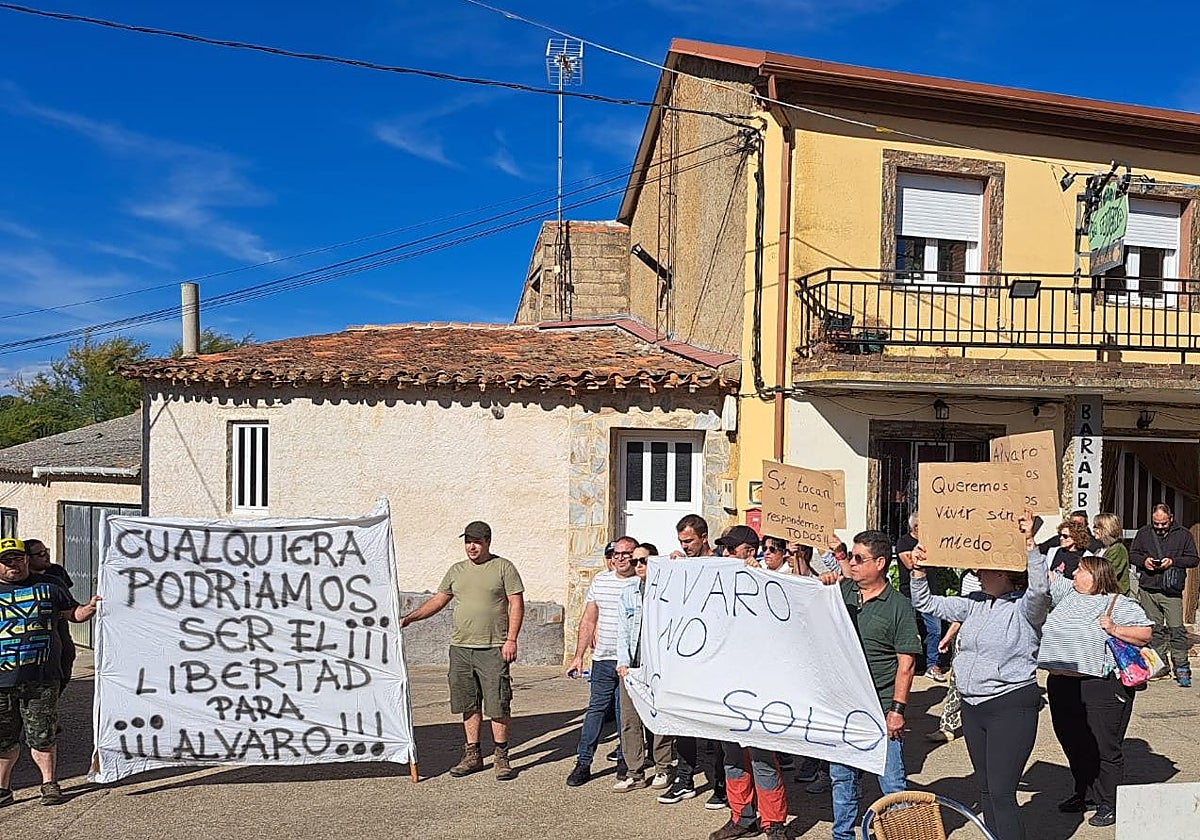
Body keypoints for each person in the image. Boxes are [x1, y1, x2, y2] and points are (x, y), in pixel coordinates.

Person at [910, 515, 1051, 840]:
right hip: (973, 708)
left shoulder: (1025, 610)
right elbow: (925, 602)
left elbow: (1040, 589)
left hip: (1010, 707)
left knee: (1001, 793)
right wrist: (918, 570)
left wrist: (1029, 542)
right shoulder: (973, 604)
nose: (976, 574)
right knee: (986, 790)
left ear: (1002, 573)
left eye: (983, 570)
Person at [401, 521, 524, 780]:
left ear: (487, 542)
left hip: (493, 647)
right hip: (461, 648)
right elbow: (439, 600)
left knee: (498, 703)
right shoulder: (456, 570)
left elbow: (516, 603)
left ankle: (501, 756)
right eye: (468, 542)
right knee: (468, 702)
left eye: (477, 542)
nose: (471, 547)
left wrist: (511, 639)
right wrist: (410, 618)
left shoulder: (503, 567)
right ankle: (472, 755)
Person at [818, 530, 921, 840]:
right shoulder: (843, 592)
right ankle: (843, 836)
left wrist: (897, 711)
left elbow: (906, 665)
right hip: (845, 707)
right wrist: (823, 582)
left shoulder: (899, 606)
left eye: (858, 558)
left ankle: (899, 835)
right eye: (851, 556)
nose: (851, 562)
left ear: (880, 563)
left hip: (880, 708)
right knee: (842, 778)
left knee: (892, 784)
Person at [1038, 555, 1152, 828]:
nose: (1074, 574)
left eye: (1080, 570)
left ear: (1096, 576)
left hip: (1101, 686)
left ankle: (1109, 802)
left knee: (1103, 746)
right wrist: (1028, 541)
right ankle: (1085, 792)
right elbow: (1041, 573)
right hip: (1062, 682)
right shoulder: (1068, 594)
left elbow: (1145, 634)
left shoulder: (1117, 603)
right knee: (1073, 741)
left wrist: (1114, 628)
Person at [0, 537, 100, 807]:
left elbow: (74, 614)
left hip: (41, 678)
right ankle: (3, 789)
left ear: (26, 560)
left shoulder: (50, 586)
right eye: (6, 561)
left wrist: (90, 608)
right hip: (2, 681)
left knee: (42, 736)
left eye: (18, 558)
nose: (13, 565)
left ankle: (49, 784)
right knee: (3, 740)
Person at [658, 514, 726, 809]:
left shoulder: (723, 563)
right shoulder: (682, 565)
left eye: (689, 541)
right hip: (688, 656)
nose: (685, 546)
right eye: (681, 541)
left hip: (717, 657)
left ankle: (721, 785)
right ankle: (684, 779)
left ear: (704, 537)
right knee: (683, 720)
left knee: (719, 726)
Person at [565, 535, 639, 786]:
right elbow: (589, 619)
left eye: (627, 554)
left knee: (624, 714)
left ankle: (625, 762)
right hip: (603, 659)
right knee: (595, 711)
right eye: (616, 554)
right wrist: (578, 656)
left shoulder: (642, 582)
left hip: (630, 662)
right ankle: (583, 762)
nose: (621, 558)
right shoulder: (601, 580)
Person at [1129, 503, 1199, 688]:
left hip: (1171, 590)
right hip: (1148, 587)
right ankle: (1160, 666)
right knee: (1155, 630)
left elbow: (1193, 559)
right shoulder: (1144, 533)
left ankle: (1182, 667)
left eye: (1163, 523)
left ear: (1171, 519)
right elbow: (1132, 554)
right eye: (1156, 524)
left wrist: (1173, 561)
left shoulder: (1183, 534)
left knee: (1177, 630)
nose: (1160, 527)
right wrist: (1144, 561)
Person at [896, 513, 947, 681]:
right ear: (916, 527)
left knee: (935, 630)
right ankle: (908, 666)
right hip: (909, 594)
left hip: (930, 594)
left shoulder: (931, 542)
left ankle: (932, 665)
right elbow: (910, 564)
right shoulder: (904, 542)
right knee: (910, 632)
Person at [23, 540, 75, 696]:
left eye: (46, 551)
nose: (46, 556)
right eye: (40, 554)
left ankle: (56, 690)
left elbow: (66, 598)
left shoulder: (56, 572)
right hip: (33, 625)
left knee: (67, 653)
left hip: (58, 623)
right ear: (28, 558)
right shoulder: (22, 578)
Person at [1092, 513, 1130, 595]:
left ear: (1106, 528)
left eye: (1096, 527)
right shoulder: (1100, 548)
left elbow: (1107, 573)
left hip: (1115, 595)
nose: (1093, 530)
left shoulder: (1117, 549)